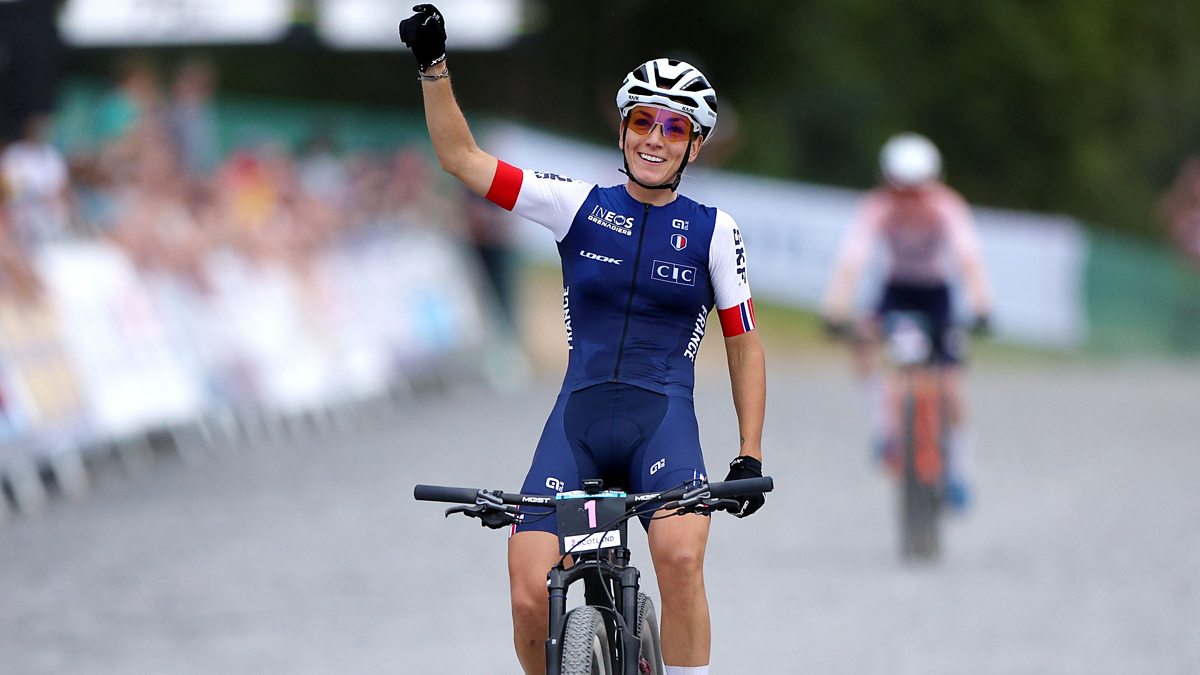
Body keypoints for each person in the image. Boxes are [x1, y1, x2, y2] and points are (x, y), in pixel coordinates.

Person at [399, 6, 767, 674]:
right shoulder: (576, 204)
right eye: (643, 121)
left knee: (681, 559)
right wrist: (433, 67)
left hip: (662, 423)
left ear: (695, 146)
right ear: (623, 129)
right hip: (580, 424)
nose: (655, 138)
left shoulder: (715, 229)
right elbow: (461, 159)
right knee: (527, 593)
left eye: (675, 127)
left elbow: (743, 343)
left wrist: (748, 454)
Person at [822, 132, 992, 510]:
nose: (910, 201)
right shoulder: (877, 207)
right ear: (887, 184)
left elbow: (969, 259)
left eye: (918, 191)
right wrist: (835, 307)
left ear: (934, 185)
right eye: (901, 191)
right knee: (863, 341)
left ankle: (959, 469)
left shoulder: (947, 207)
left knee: (951, 383)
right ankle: (885, 430)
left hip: (937, 294)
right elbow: (852, 260)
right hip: (897, 290)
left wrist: (981, 305)